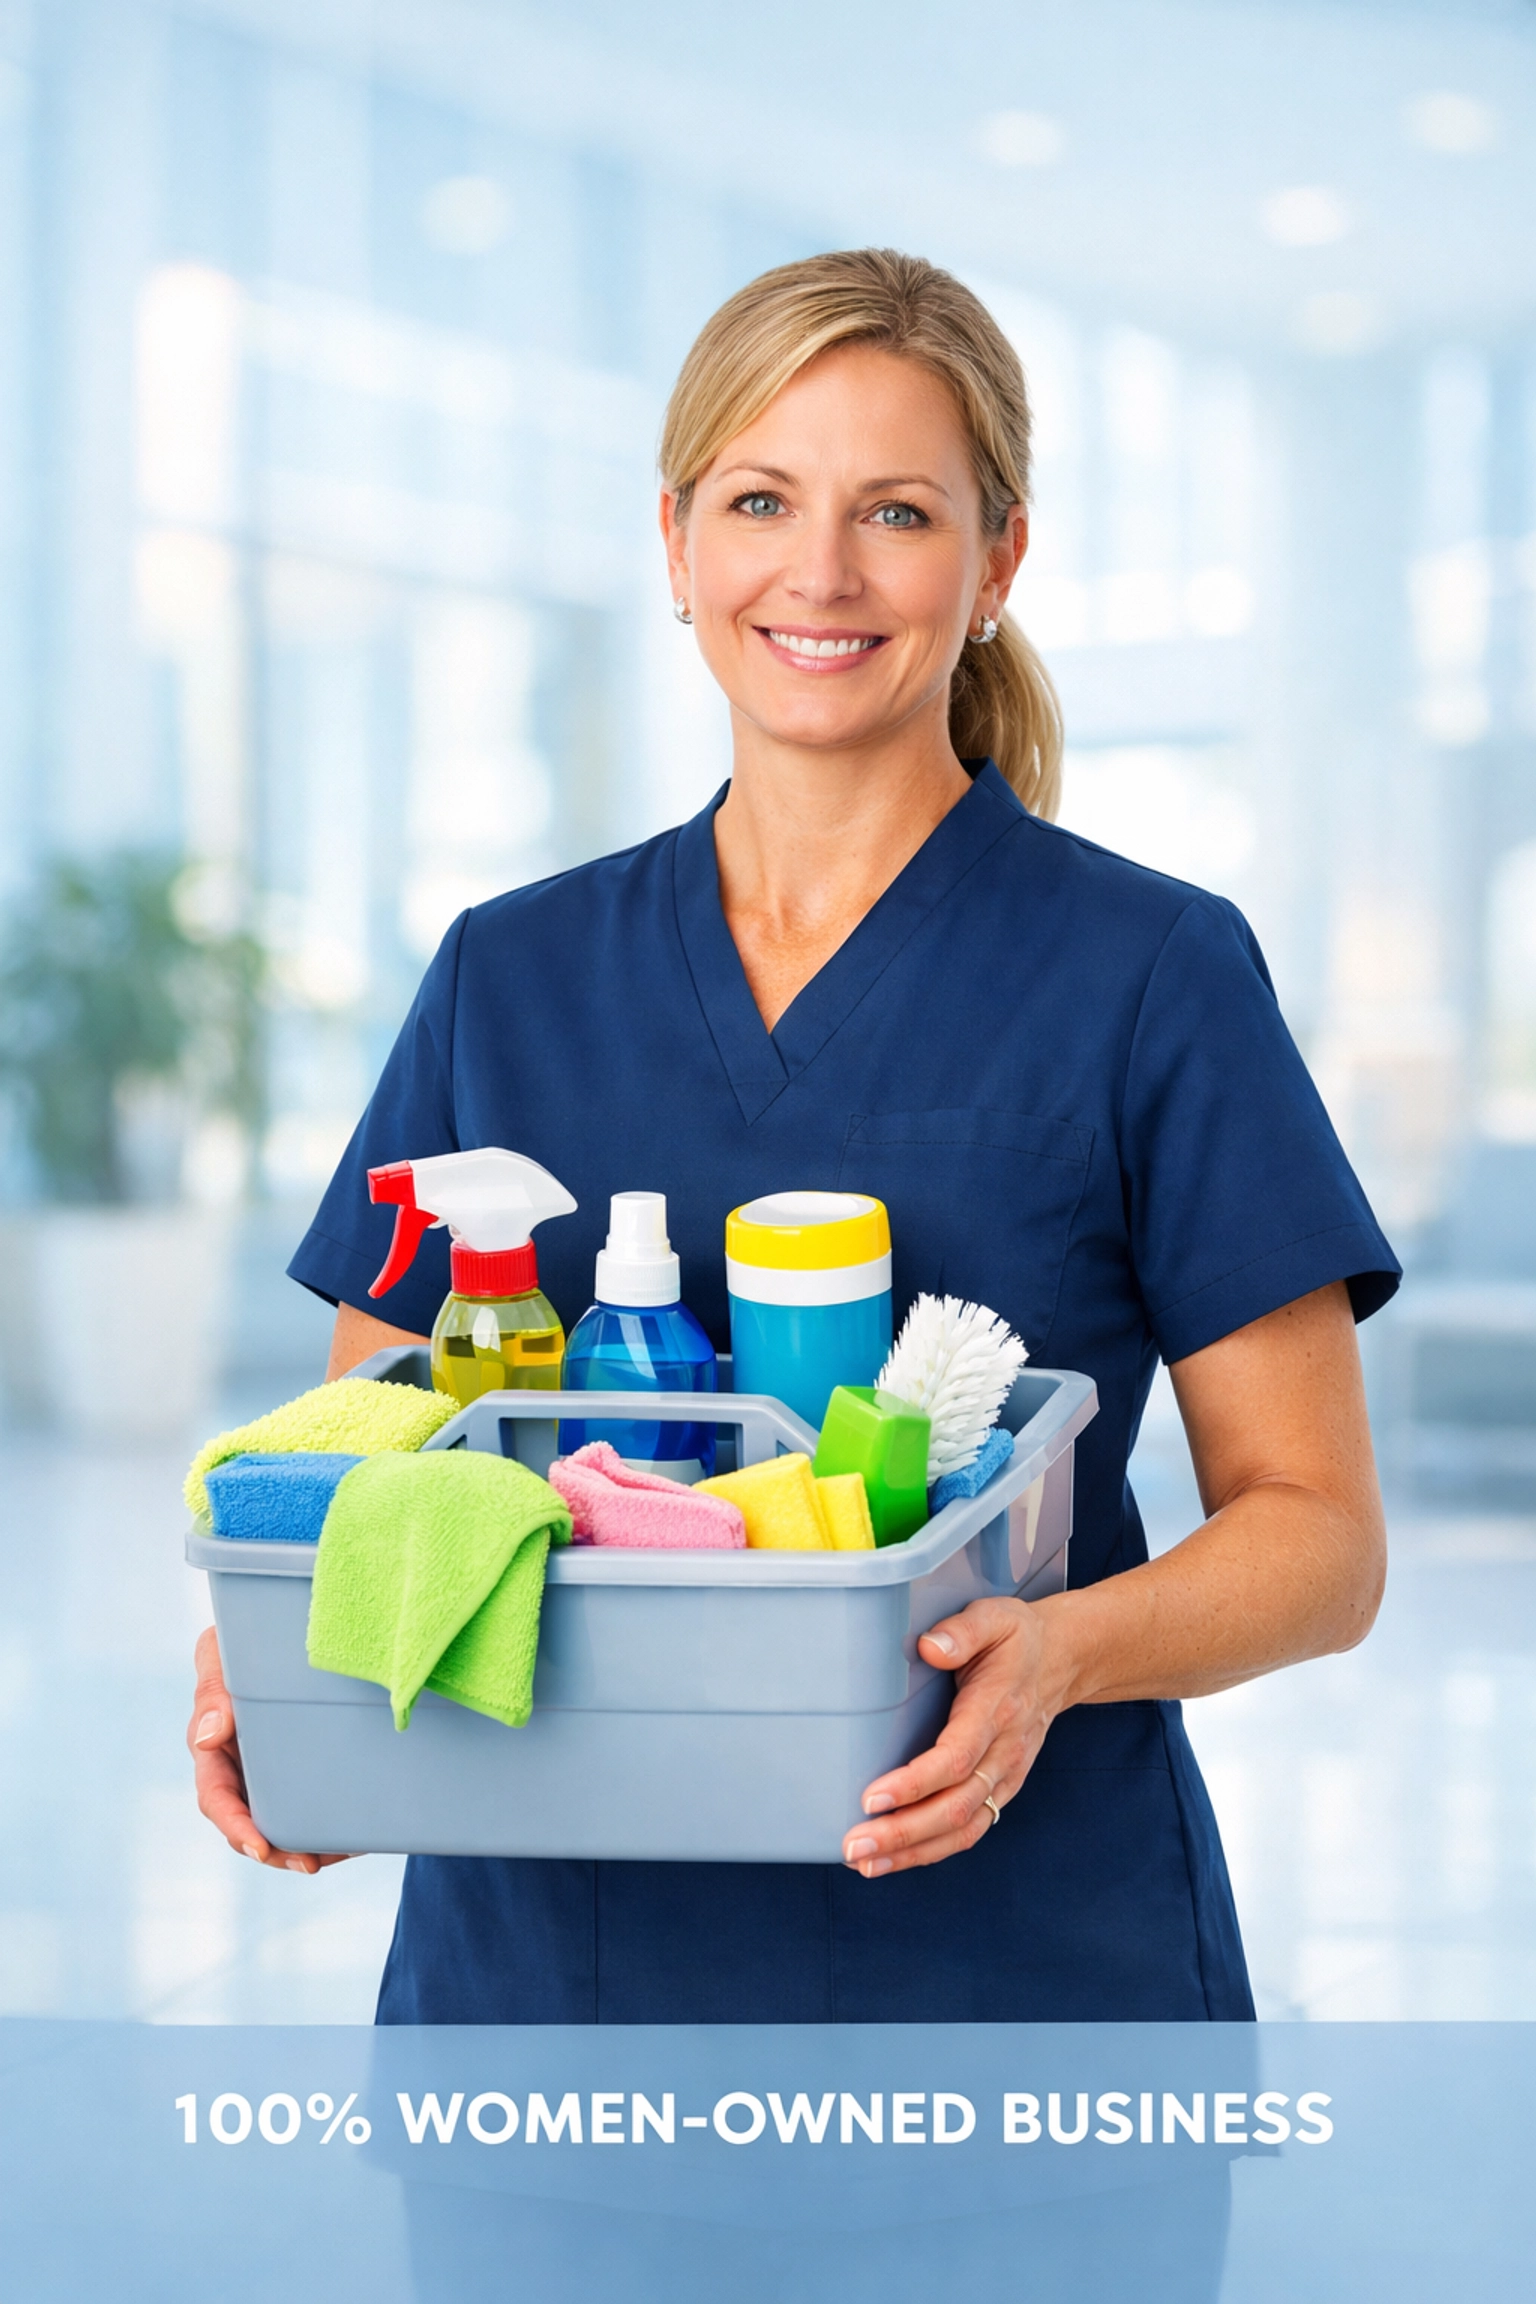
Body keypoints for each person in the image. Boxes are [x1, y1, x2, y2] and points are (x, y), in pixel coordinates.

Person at [189, 248, 1396, 2026]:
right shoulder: (506, 977)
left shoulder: (1151, 972)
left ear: (997, 562)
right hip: (554, 2001)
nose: (821, 573)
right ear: (677, 545)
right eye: (762, 500)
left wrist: (1056, 1653)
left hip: (1016, 1989)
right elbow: (361, 1456)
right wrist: (292, 1671)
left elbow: (1320, 1536)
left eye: (897, 512)